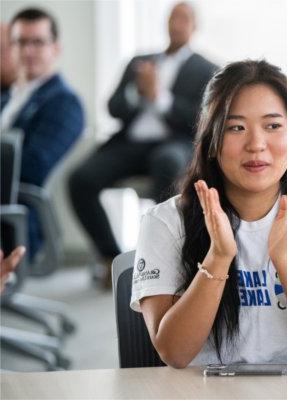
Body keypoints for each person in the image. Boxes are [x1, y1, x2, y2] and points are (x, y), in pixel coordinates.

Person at [131, 60, 287, 367]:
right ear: (212, 143)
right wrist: (218, 257)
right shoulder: (165, 222)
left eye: (273, 126)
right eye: (236, 128)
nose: (256, 145)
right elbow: (174, 353)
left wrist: (284, 258)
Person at [69, 2, 218, 287]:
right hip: (130, 143)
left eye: (183, 19)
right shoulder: (140, 61)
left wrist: (160, 97)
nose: (176, 24)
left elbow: (201, 120)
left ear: (194, 26)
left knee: (167, 164)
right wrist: (138, 94)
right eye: (172, 18)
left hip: (174, 143)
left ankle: (163, 260)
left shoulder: (207, 69)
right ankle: (111, 259)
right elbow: (113, 106)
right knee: (81, 179)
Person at [0, 8, 84, 258]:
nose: (28, 51)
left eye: (37, 42)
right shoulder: (8, 97)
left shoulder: (63, 103)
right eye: (20, 42)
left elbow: (31, 168)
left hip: (17, 217)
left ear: (55, 48)